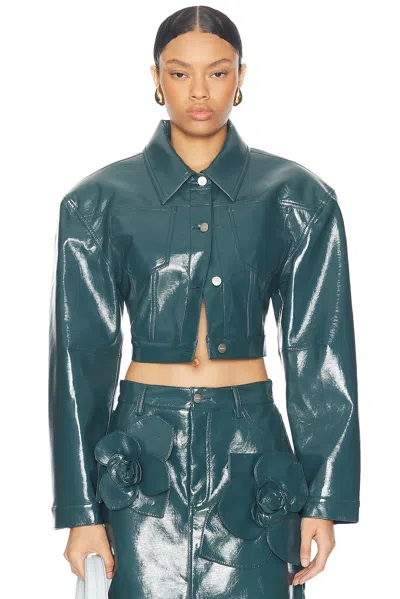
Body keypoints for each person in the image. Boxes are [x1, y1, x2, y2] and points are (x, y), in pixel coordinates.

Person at [48, 6, 361, 599]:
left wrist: (325, 499)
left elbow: (319, 353)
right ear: (155, 78)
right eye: (179, 73)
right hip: (141, 459)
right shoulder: (95, 202)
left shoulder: (298, 197)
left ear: (241, 76)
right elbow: (78, 364)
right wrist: (81, 511)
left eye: (217, 72)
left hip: (254, 457)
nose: (199, 92)